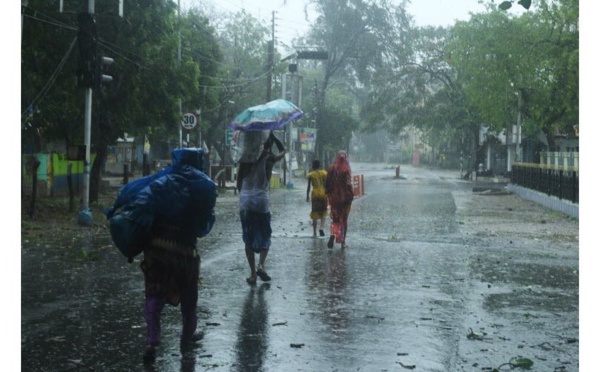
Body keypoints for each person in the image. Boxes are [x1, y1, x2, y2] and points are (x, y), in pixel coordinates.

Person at [106, 148, 217, 361]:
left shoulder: (160, 182)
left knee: (154, 294)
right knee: (189, 298)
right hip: (186, 251)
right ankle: (187, 338)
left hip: (157, 248)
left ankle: (151, 341)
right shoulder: (203, 188)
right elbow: (205, 225)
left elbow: (139, 204)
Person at [237, 131, 286, 285]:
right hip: (261, 201)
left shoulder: (244, 159)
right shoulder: (269, 158)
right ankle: (261, 265)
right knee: (265, 234)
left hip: (246, 201)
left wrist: (244, 195)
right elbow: (283, 152)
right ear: (268, 144)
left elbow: (239, 182)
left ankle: (252, 274)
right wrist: (275, 138)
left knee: (248, 237)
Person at [325, 150, 354, 249]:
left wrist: (329, 194)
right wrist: (351, 195)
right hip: (345, 199)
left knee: (335, 219)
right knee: (344, 220)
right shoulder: (346, 169)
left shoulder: (331, 168)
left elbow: (327, 183)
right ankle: (343, 242)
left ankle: (332, 236)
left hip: (334, 199)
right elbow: (348, 184)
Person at [306, 159, 328, 237]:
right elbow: (326, 185)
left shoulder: (311, 175)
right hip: (323, 194)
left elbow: (308, 187)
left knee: (314, 213)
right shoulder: (324, 173)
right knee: (324, 212)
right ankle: (321, 227)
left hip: (315, 194)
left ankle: (314, 233)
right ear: (319, 166)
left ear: (313, 166)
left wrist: (307, 197)